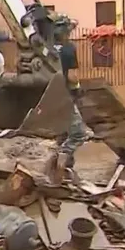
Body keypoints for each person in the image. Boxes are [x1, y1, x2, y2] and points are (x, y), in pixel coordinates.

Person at [50, 19, 86, 183]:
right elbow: (72, 76)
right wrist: (78, 87)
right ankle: (60, 159)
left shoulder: (47, 48)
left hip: (49, 96)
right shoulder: (69, 48)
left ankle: (65, 167)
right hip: (65, 95)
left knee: (61, 132)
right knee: (78, 133)